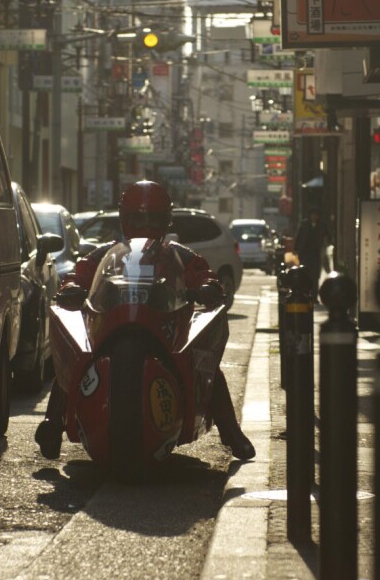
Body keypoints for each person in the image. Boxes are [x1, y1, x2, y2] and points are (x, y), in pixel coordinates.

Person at [35, 180, 257, 461]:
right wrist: (71, 288)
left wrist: (208, 286)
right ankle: (53, 425)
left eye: (153, 218)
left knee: (205, 364)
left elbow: (202, 272)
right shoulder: (105, 253)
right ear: (125, 219)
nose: (145, 224)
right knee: (72, 359)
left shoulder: (178, 253)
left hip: (165, 328)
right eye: (138, 218)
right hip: (109, 325)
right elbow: (79, 273)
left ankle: (230, 431)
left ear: (166, 220)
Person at [293, 208, 330, 278]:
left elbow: (327, 237)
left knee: (315, 273)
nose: (314, 217)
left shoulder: (322, 225)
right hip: (305, 253)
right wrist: (296, 249)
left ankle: (315, 287)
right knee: (305, 272)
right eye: (313, 215)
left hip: (316, 253)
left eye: (316, 215)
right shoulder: (304, 225)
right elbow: (299, 237)